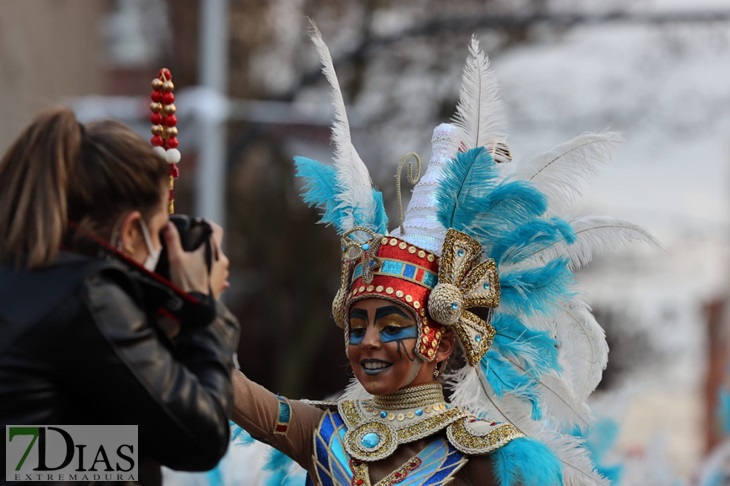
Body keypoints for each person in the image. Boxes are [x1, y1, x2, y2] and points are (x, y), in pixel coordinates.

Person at [226, 24, 657, 486]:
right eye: (357, 326)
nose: (368, 341)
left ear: (443, 342)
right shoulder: (325, 432)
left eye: (391, 326)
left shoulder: (488, 456)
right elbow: (228, 389)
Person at [0, 108, 240, 485]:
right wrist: (201, 309)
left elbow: (23, 453)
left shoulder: (26, 274)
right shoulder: (89, 295)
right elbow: (201, 437)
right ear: (130, 231)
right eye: (160, 231)